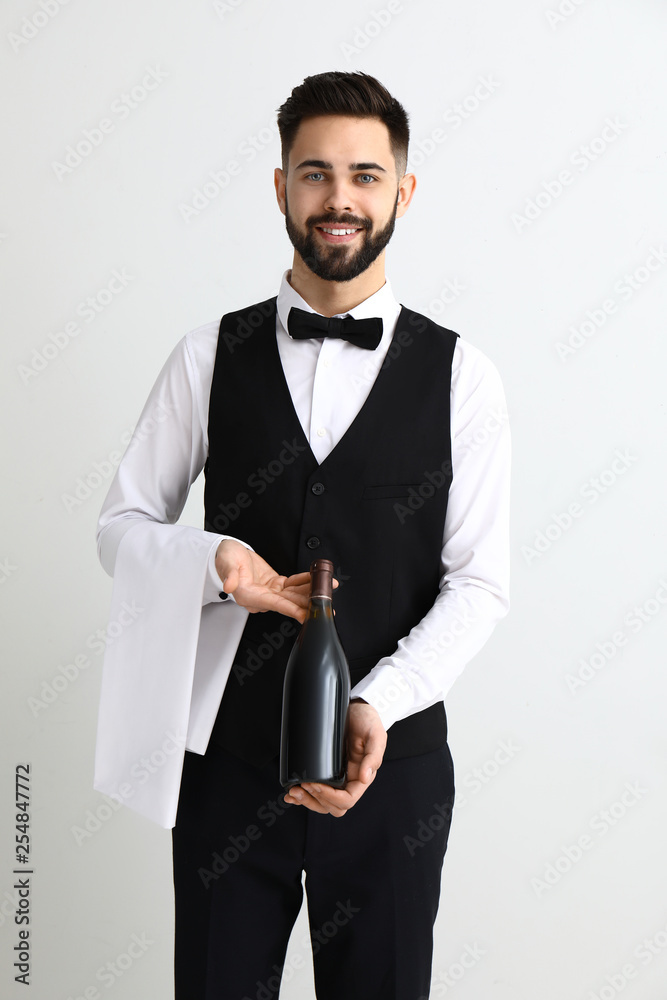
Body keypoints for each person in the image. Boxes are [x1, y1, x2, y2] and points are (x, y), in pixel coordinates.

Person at [94, 70, 510, 1000]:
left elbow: (478, 583)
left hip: (391, 775)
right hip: (228, 767)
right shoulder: (206, 355)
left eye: (365, 175)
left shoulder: (462, 377)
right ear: (281, 188)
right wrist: (211, 563)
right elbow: (120, 529)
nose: (339, 198)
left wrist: (380, 702)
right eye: (315, 173)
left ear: (401, 192)